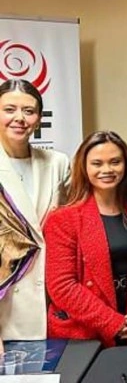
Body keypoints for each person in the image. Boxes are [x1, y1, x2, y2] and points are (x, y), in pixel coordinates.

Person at [44, 131, 127, 347]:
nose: (107, 170)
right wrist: (112, 321)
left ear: (126, 165)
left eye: (115, 162)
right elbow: (62, 286)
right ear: (84, 167)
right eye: (97, 163)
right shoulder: (63, 219)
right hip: (83, 335)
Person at [0, 79, 70, 341]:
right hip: (7, 300)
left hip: (50, 297)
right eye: (9, 109)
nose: (19, 118)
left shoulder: (57, 163)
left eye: (28, 111)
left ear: (39, 119)